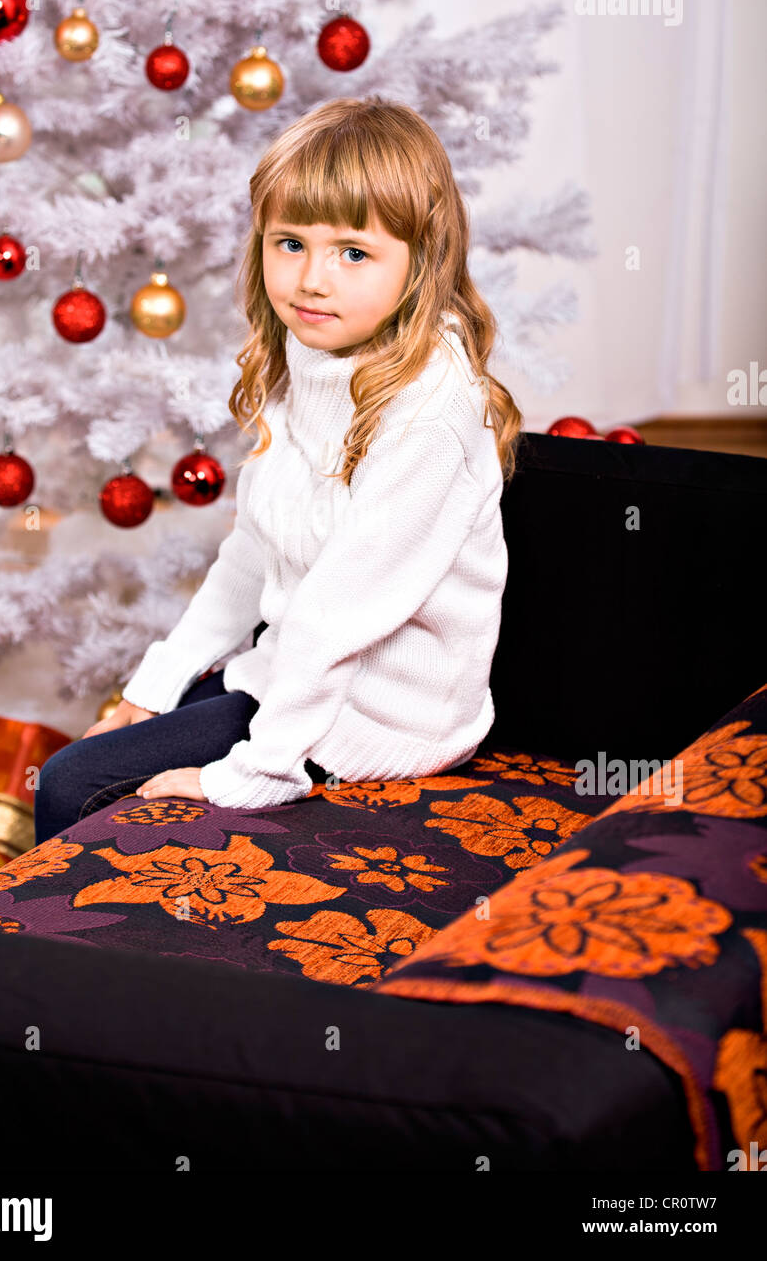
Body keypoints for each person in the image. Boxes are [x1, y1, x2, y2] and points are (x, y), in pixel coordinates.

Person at [33, 94, 523, 845]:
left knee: (74, 783)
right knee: (128, 730)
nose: (311, 280)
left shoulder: (431, 416)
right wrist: (154, 688)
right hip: (301, 672)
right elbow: (250, 554)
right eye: (290, 242)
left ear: (421, 263)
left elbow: (336, 618)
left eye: (354, 252)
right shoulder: (313, 361)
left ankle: (58, 958)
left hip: (382, 715)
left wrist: (253, 774)